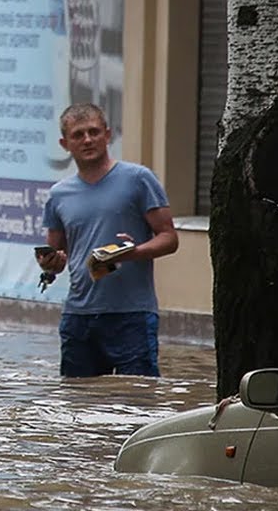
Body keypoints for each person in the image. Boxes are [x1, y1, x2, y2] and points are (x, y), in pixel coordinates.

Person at [35, 102, 179, 377]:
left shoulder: (138, 179)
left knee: (139, 400)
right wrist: (50, 263)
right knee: (78, 404)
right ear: (65, 144)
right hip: (79, 315)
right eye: (78, 135)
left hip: (132, 315)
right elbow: (53, 257)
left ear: (108, 135)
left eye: (94, 132)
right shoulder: (58, 194)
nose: (87, 140)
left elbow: (169, 238)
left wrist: (133, 252)